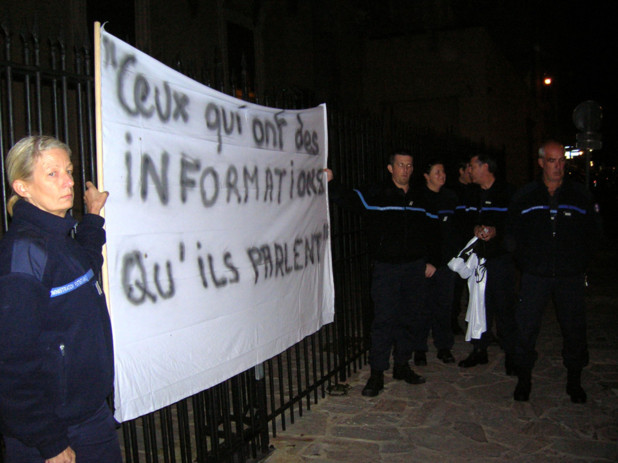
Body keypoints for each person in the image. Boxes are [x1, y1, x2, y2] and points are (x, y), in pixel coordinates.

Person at [0, 136, 121, 463]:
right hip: (55, 431)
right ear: (22, 187)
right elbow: (10, 364)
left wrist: (92, 215)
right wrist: (49, 441)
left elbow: (86, 267)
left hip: (90, 416)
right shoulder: (24, 256)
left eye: (68, 171)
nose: (68, 181)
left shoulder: (57, 237)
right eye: (52, 173)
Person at [325, 151, 438, 396]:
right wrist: (331, 183)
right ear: (390, 168)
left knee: (410, 318)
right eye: (401, 165)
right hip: (387, 269)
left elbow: (432, 230)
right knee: (384, 320)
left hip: (414, 268)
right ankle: (377, 373)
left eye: (409, 165)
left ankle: (402, 365)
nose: (405, 169)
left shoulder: (420, 197)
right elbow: (349, 199)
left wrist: (431, 260)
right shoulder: (377, 194)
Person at [508, 140, 601, 403]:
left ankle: (574, 380)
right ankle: (524, 378)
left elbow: (594, 234)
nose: (558, 166)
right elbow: (512, 233)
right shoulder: (526, 196)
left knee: (574, 328)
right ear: (541, 163)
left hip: (569, 276)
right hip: (535, 275)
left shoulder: (579, 195)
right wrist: (525, 261)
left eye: (561, 160)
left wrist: (579, 263)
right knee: (526, 328)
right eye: (552, 160)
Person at [457, 153, 517, 375]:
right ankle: (479, 349)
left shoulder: (508, 193)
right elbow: (462, 221)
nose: (469, 170)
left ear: (485, 167)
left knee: (504, 308)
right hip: (478, 260)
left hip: (500, 260)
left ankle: (511, 354)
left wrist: (496, 232)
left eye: (472, 166)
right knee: (478, 305)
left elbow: (517, 225)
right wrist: (474, 228)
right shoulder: (471, 194)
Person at [413, 159, 459, 365]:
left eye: (443, 171)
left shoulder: (450, 198)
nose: (442, 175)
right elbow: (420, 234)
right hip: (426, 264)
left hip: (446, 262)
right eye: (437, 172)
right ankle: (419, 348)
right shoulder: (419, 198)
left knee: (444, 306)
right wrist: (425, 261)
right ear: (426, 176)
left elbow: (454, 231)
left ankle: (444, 346)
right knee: (421, 307)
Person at [450, 159, 473, 335]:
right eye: (469, 168)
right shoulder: (453, 192)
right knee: (456, 287)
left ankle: (473, 321)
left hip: (473, 244)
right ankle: (452, 320)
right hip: (458, 246)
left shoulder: (475, 190)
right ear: (461, 170)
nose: (472, 172)